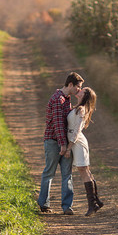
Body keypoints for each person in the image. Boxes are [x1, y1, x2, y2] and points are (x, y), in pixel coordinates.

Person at [38, 72, 84, 215]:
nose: (79, 90)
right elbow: (58, 124)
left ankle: (67, 206)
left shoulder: (67, 99)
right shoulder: (58, 99)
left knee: (67, 174)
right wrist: (64, 146)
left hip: (63, 142)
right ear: (70, 84)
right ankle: (44, 204)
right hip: (53, 142)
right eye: (78, 87)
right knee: (49, 173)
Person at [65, 87, 104, 216]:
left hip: (77, 143)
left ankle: (92, 204)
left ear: (85, 95)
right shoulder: (78, 107)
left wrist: (69, 147)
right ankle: (96, 200)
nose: (80, 90)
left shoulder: (81, 109)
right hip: (75, 142)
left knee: (83, 170)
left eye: (83, 90)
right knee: (85, 170)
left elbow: (76, 131)